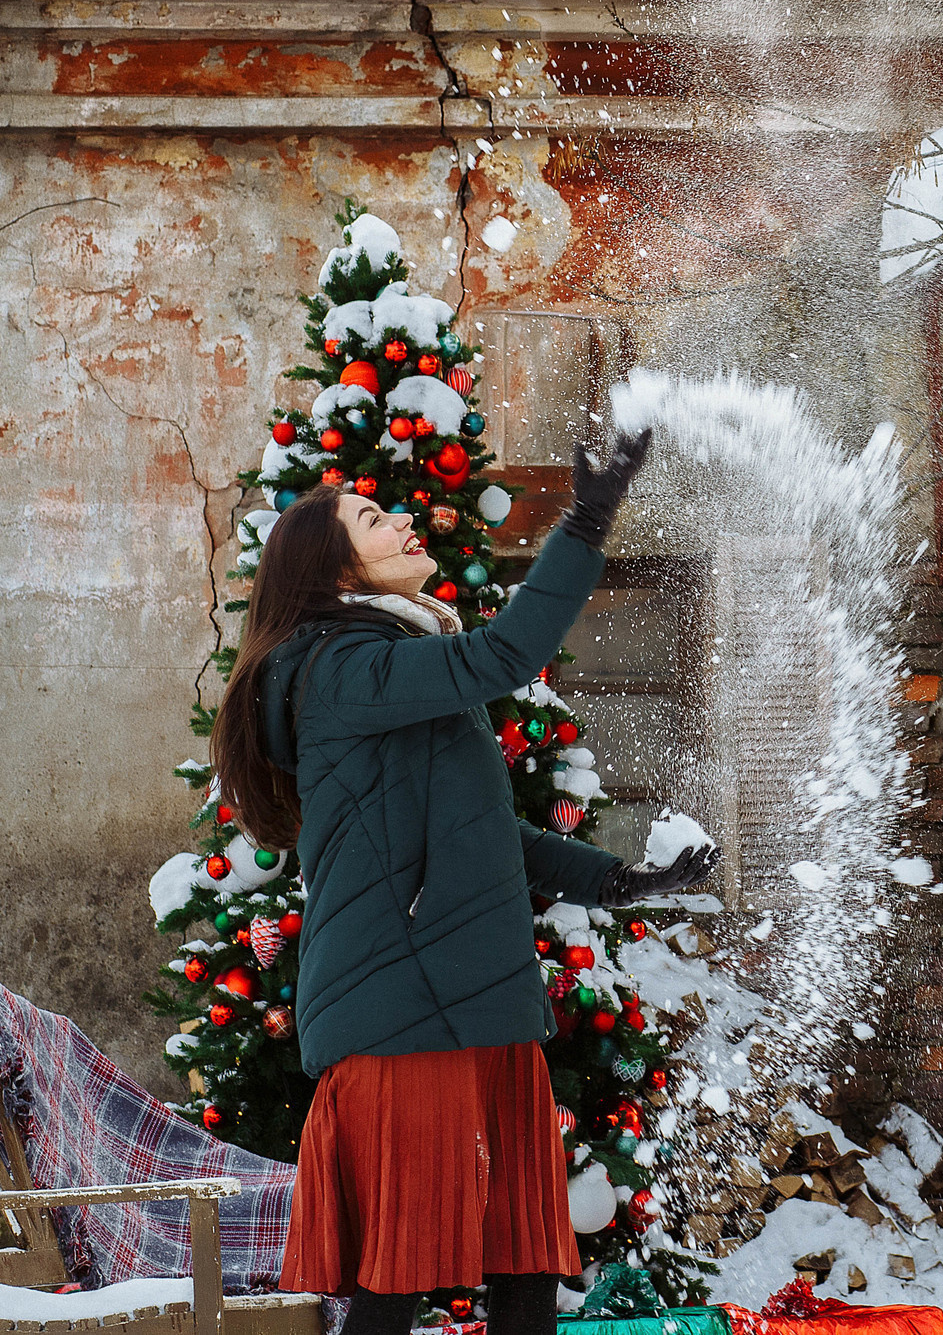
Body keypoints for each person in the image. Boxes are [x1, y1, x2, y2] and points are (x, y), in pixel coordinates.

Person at [210, 424, 717, 1335]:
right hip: (400, 1013)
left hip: (480, 998)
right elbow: (502, 656)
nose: (403, 521)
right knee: (396, 1276)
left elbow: (489, 832)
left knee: (525, 1259)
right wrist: (584, 526)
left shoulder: (391, 660)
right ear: (334, 569)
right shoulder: (341, 667)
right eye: (373, 520)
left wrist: (621, 881)